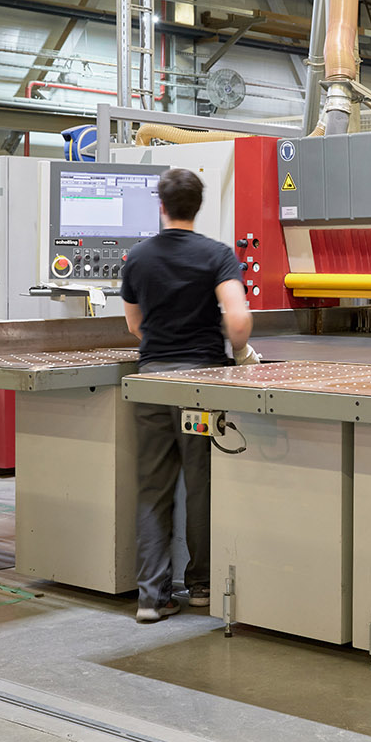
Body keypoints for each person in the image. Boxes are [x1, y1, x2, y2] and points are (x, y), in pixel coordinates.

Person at [120, 168, 256, 624]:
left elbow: (134, 324)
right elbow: (237, 320)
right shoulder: (216, 255)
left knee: (152, 488)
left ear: (161, 206)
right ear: (198, 206)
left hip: (151, 384)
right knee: (201, 484)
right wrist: (240, 352)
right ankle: (201, 585)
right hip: (198, 388)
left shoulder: (138, 257)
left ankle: (151, 597)